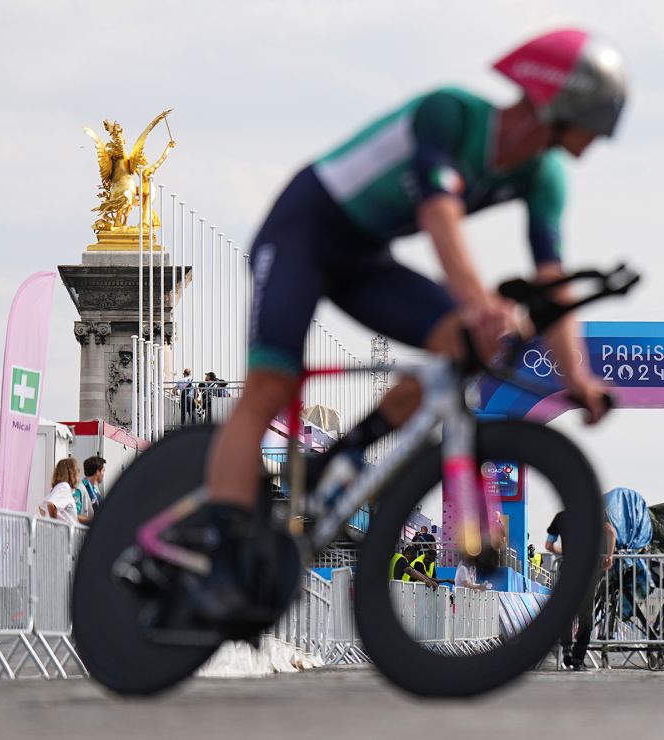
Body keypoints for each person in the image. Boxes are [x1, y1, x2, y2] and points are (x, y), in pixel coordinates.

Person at [193, 28, 628, 626]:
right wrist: (479, 302)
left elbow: (553, 284)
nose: (588, 147)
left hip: (364, 258)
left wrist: (577, 377)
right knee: (270, 386)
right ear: (559, 105)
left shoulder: (543, 178)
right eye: (591, 127)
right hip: (302, 233)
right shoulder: (450, 115)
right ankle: (217, 556)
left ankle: (344, 454)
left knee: (463, 347)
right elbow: (439, 215)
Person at [546, 510, 616, 670]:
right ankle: (578, 658)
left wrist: (566, 552)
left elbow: (548, 545)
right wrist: (609, 556)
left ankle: (566, 649)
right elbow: (611, 532)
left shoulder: (560, 517)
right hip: (589, 569)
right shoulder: (595, 512)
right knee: (585, 613)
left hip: (569, 568)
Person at [42, 458, 86, 526]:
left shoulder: (56, 488)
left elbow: (42, 506)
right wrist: (55, 525)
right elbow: (51, 505)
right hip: (62, 535)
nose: (79, 472)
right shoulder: (64, 487)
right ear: (71, 472)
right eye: (77, 470)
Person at [74, 455, 106, 524]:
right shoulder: (80, 489)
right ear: (97, 472)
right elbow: (74, 515)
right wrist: (93, 523)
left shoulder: (96, 490)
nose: (104, 474)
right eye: (103, 471)